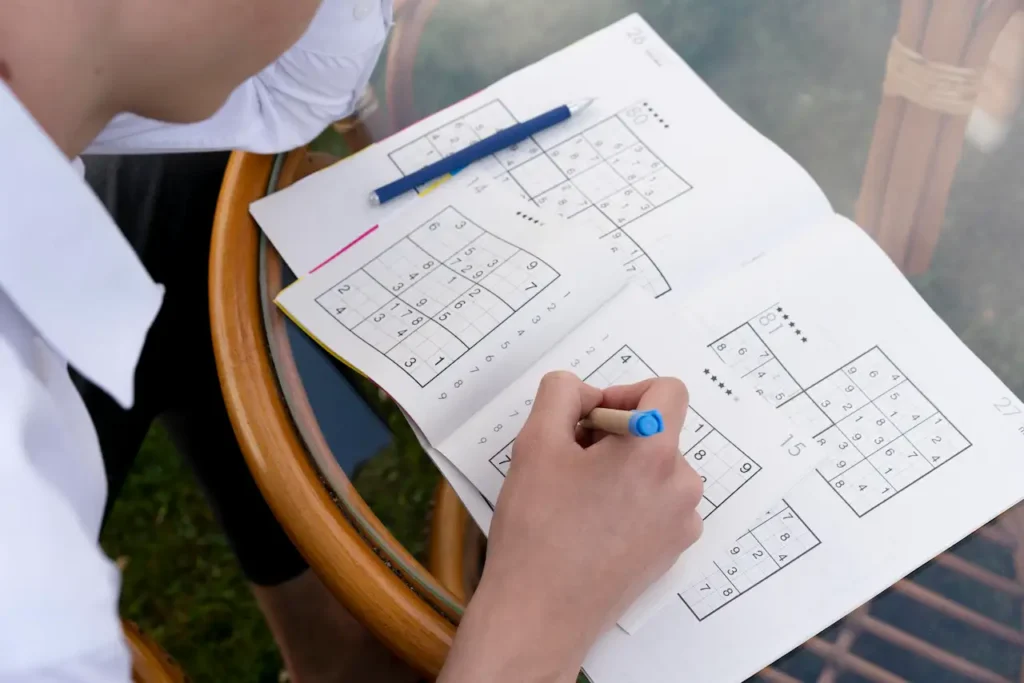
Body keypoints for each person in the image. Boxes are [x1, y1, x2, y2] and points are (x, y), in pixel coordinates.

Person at [0, 1, 705, 682]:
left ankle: (334, 657)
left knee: (188, 194)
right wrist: (546, 610)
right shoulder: (36, 616)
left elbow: (289, 92)